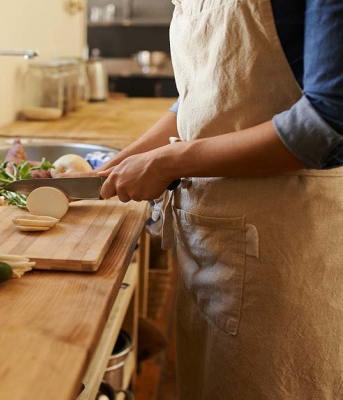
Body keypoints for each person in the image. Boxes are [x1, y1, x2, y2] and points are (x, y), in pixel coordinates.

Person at [92, 1, 342, 398]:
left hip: (284, 246)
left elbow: (327, 123)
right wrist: (127, 158)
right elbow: (201, 96)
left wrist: (167, 161)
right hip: (210, 242)